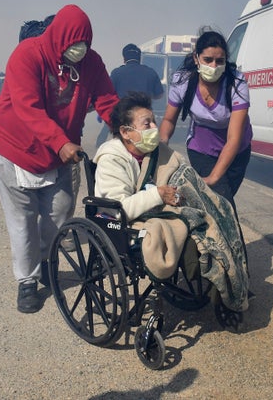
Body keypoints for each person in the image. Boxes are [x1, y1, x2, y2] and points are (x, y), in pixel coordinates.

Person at [0, 4, 119, 314]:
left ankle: (48, 262)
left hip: (57, 150)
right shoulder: (27, 55)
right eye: (73, 45)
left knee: (59, 212)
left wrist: (125, 128)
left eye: (83, 45)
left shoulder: (91, 62)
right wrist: (61, 142)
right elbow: (27, 108)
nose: (78, 51)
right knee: (23, 221)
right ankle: (28, 282)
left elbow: (107, 100)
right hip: (15, 148)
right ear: (57, 37)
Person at [94, 92, 248, 311]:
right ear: (126, 132)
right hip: (124, 223)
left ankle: (230, 283)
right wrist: (158, 195)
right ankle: (219, 287)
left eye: (154, 121)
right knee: (191, 233)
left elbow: (184, 177)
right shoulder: (112, 159)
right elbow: (116, 210)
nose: (154, 127)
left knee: (219, 212)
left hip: (158, 209)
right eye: (146, 123)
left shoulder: (159, 152)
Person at [159, 30, 253, 214]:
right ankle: (229, 243)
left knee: (219, 200)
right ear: (196, 58)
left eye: (220, 61)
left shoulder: (236, 82)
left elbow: (233, 139)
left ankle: (209, 239)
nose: (214, 65)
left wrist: (213, 177)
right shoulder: (183, 81)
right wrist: (161, 148)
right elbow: (169, 119)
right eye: (208, 59)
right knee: (224, 206)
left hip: (237, 150)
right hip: (202, 147)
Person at [96, 43, 163, 147]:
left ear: (124, 58)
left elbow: (108, 94)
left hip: (122, 115)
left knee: (119, 142)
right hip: (144, 115)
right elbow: (159, 95)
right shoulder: (151, 72)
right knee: (146, 143)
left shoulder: (116, 73)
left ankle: (98, 149)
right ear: (140, 58)